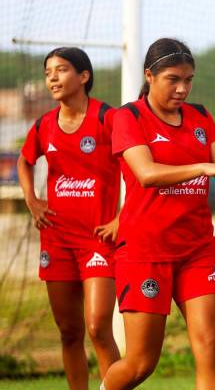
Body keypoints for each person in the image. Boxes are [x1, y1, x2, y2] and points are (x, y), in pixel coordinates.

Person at [101, 38, 215, 390]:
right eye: (173, 79)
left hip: (198, 250)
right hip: (145, 251)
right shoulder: (129, 116)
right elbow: (147, 174)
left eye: (189, 79)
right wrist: (203, 167)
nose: (183, 88)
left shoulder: (201, 116)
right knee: (140, 364)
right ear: (149, 76)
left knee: (211, 347)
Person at [17, 47, 121, 389]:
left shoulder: (108, 118)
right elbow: (24, 160)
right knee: (69, 332)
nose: (52, 78)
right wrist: (32, 200)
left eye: (61, 70)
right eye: (48, 73)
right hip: (56, 238)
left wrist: (123, 217)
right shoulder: (44, 125)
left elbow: (136, 168)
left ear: (84, 76)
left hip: (98, 239)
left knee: (97, 327)